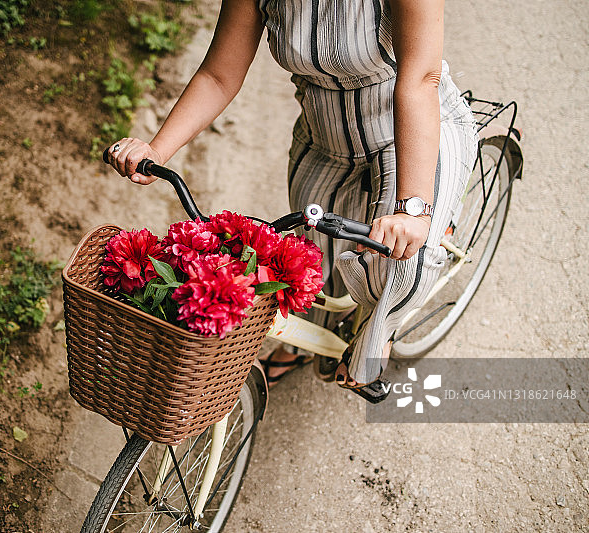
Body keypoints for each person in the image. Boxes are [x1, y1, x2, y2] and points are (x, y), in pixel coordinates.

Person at [106, 0, 477, 400]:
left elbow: (421, 78)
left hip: (410, 135)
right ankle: (307, 343)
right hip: (324, 140)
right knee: (308, 265)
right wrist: (157, 152)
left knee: (403, 260)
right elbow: (218, 75)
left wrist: (414, 207)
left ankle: (383, 328)